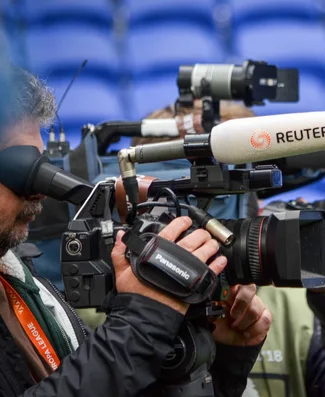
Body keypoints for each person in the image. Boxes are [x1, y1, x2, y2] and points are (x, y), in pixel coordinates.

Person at [0, 68, 272, 396]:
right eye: (23, 171)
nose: (39, 192)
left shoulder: (23, 283)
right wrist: (141, 323)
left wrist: (211, 359)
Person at [124, 103, 325, 397]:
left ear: (256, 201)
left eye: (226, 196)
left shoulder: (296, 308)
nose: (203, 220)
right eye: (182, 200)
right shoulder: (102, 308)